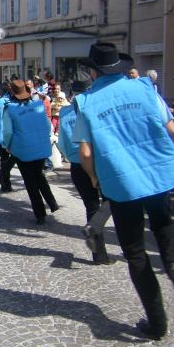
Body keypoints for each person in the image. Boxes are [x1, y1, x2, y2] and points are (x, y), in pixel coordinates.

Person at [73, 42, 174, 340]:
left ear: (92, 71)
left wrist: (94, 180)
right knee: (165, 232)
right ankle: (171, 264)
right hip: (158, 174)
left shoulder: (86, 101)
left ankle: (157, 323)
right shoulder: (145, 88)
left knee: (135, 252)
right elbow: (171, 128)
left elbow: (86, 153)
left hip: (121, 183)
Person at [57, 74, 114, 265]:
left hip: (76, 164)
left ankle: (100, 255)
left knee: (91, 206)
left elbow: (62, 143)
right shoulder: (96, 107)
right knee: (113, 200)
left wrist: (71, 157)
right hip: (99, 160)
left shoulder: (65, 112)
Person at [3, 80, 59, 224]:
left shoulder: (10, 109)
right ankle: (52, 203)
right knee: (39, 175)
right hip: (40, 147)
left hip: (23, 149)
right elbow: (48, 126)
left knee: (30, 181)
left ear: (13, 93)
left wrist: (6, 145)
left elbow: (8, 132)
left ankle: (40, 213)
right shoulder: (38, 105)